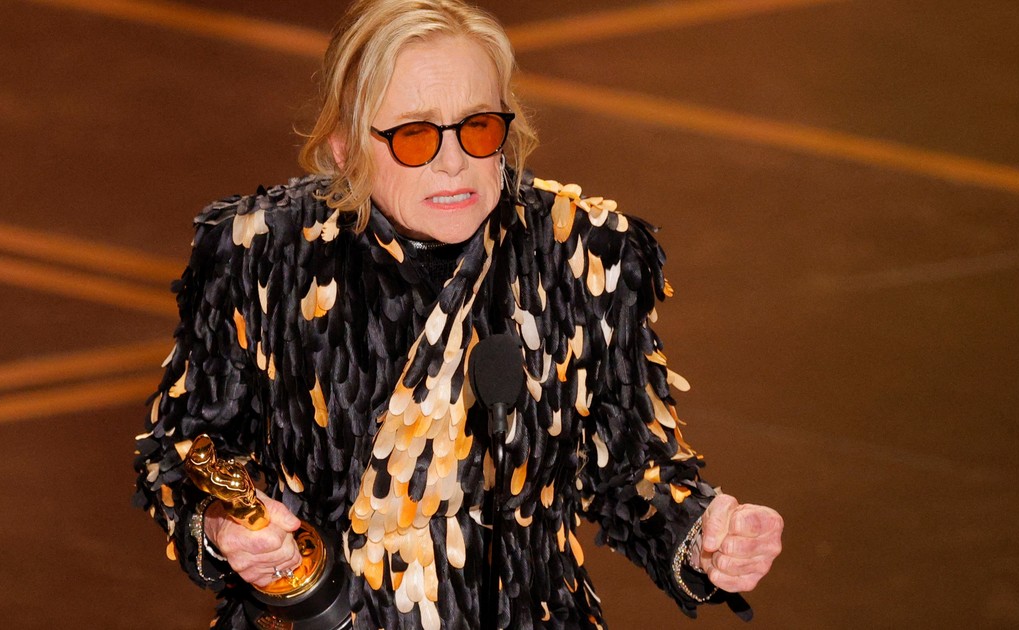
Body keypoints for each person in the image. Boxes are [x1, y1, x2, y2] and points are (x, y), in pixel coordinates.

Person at [134, 1, 784, 628]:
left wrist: (705, 534)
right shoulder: (260, 252)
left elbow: (632, 468)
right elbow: (181, 451)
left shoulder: (583, 253)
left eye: (478, 127)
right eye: (414, 135)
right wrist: (222, 525)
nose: (455, 161)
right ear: (344, 147)